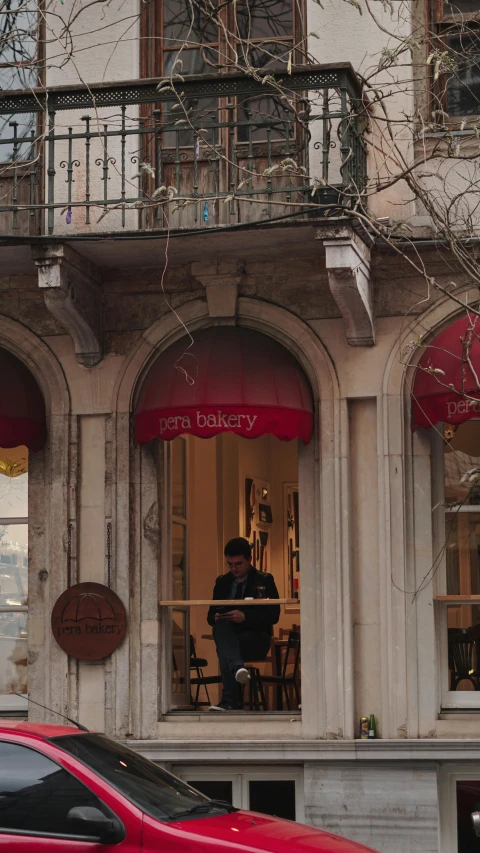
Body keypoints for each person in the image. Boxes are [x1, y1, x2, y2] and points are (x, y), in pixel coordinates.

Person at [207, 537, 280, 711]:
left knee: (223, 645)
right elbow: (209, 616)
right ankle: (237, 669)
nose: (234, 569)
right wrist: (217, 616)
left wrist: (245, 617)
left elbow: (273, 615)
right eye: (230, 564)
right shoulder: (222, 582)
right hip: (229, 636)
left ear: (249, 559)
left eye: (238, 564)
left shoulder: (264, 580)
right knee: (221, 628)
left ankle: (230, 700)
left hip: (255, 638)